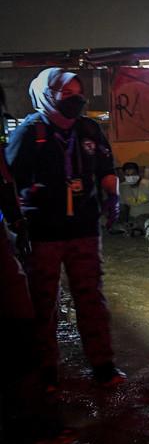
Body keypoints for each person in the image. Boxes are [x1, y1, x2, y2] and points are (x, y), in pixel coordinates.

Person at [5, 67, 126, 385]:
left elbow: (105, 167)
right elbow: (9, 182)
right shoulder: (29, 133)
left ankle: (103, 364)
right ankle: (45, 367)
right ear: (47, 95)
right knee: (42, 302)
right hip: (42, 232)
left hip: (84, 229)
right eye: (66, 94)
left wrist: (113, 197)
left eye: (78, 92)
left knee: (91, 297)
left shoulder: (88, 129)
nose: (76, 100)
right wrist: (18, 218)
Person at [115, 161, 149, 250]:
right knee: (113, 226)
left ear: (138, 173)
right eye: (128, 175)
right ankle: (136, 229)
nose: (131, 177)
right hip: (133, 218)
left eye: (133, 174)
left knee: (141, 220)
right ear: (124, 175)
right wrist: (122, 221)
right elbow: (123, 207)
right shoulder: (122, 187)